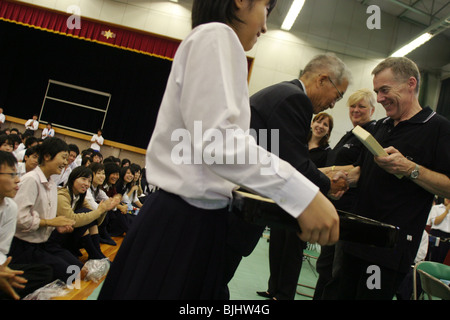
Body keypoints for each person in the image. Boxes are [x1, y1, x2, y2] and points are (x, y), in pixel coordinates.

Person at [98, 0, 340, 300]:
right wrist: (301, 194)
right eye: (266, 8)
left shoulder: (216, 42)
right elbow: (217, 142)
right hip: (184, 221)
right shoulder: (217, 35)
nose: (265, 25)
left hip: (190, 219)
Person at [322, 57, 450, 300]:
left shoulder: (438, 129)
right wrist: (339, 179)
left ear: (411, 84)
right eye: (377, 91)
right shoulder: (380, 126)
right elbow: (363, 171)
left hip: (388, 251)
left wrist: (412, 168)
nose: (379, 98)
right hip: (354, 239)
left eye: (384, 90)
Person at [225, 53, 350, 301]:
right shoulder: (296, 99)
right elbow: (294, 163)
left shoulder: (282, 92)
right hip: (235, 212)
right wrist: (329, 185)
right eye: (337, 96)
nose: (333, 104)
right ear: (323, 79)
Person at [313, 88, 377, 299]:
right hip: (333, 207)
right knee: (325, 266)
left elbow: (358, 171)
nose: (356, 110)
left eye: (362, 106)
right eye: (353, 106)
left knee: (335, 271)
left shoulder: (370, 134)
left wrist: (312, 173)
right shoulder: (352, 134)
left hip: (348, 211)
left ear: (372, 110)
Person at [9, 137, 83, 282]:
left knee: (77, 268)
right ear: (47, 156)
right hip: (23, 245)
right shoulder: (31, 180)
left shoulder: (51, 184)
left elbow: (48, 219)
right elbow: (19, 219)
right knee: (68, 274)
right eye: (63, 157)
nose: (65, 162)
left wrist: (57, 226)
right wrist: (50, 222)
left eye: (67, 158)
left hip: (44, 243)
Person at [0, 151, 53, 300]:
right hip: (23, 245)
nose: (17, 180)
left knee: (44, 273)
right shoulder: (31, 180)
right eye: (11, 175)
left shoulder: (10, 207)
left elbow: (2, 250)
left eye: (17, 174)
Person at [53, 166, 116, 260]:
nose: (87, 184)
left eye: (89, 181)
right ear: (73, 178)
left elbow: (94, 221)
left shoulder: (80, 197)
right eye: (83, 179)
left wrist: (104, 210)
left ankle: (96, 253)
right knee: (84, 214)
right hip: (55, 236)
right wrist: (99, 211)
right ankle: (95, 254)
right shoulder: (62, 195)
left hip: (69, 233)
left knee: (87, 215)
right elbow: (72, 219)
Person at [426, 197, 450, 263]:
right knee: (431, 258)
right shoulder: (436, 208)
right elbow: (435, 222)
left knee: (442, 260)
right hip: (436, 235)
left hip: (447, 238)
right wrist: (446, 211)